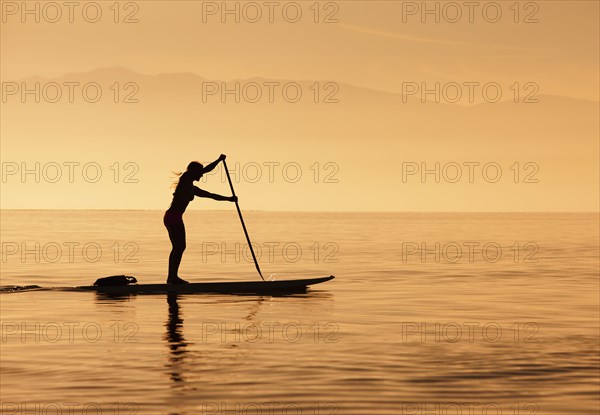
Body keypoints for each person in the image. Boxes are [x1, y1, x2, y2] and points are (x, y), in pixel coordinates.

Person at [164, 155, 236, 284]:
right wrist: (218, 161)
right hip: (173, 217)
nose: (202, 175)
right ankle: (172, 278)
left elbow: (212, 196)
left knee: (178, 247)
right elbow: (206, 170)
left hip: (173, 217)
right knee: (179, 247)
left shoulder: (193, 189)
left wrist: (229, 199)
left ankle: (172, 277)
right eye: (200, 172)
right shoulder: (185, 179)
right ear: (194, 171)